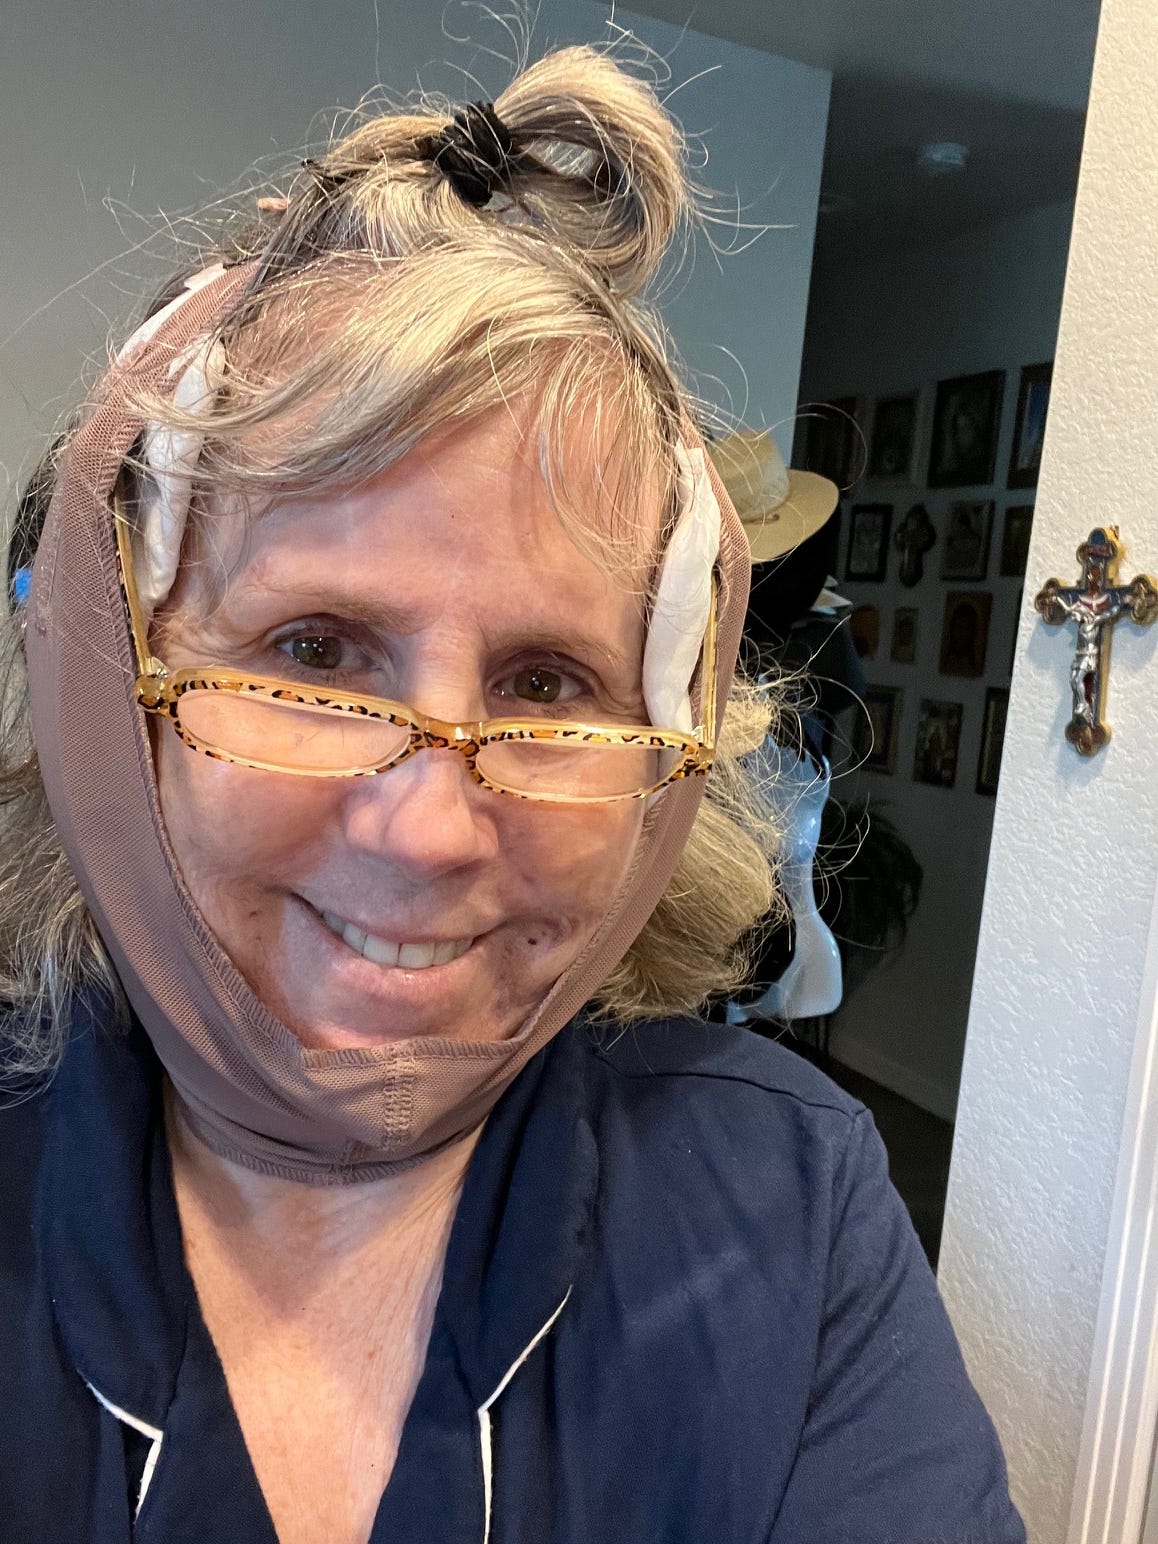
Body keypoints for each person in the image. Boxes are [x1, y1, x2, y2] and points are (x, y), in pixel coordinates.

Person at [0, 44, 1025, 1544]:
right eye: (313, 652)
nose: (424, 831)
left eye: (550, 685)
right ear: (108, 683)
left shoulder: (788, 1209)